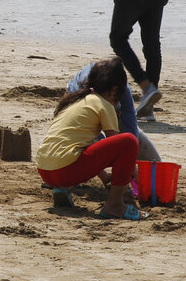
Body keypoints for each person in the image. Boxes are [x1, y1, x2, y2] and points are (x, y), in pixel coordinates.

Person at [36, 57, 145, 220]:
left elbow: (84, 144)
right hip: (64, 171)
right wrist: (134, 172)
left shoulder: (76, 100)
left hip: (45, 170)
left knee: (77, 144)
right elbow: (118, 147)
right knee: (129, 141)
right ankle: (114, 205)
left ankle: (62, 189)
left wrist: (104, 176)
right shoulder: (104, 105)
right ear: (115, 91)